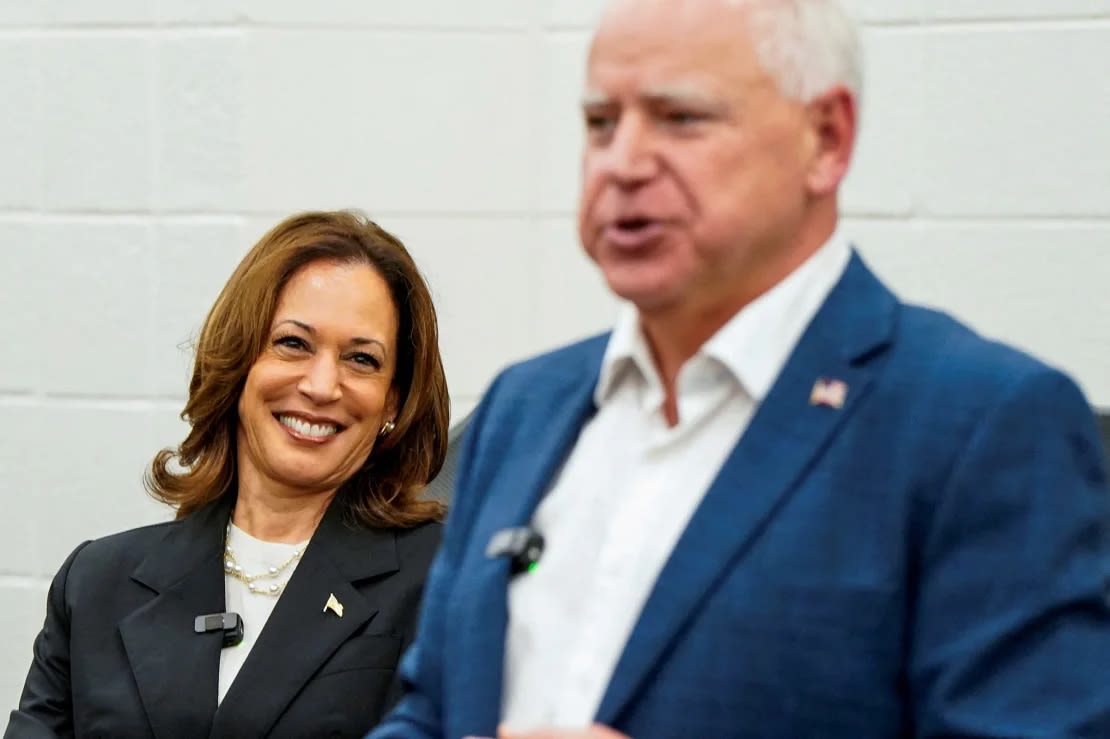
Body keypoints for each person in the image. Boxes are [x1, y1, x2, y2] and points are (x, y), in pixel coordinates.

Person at [370, 1, 1110, 737]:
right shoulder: (522, 407)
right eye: (601, 121)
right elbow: (429, 710)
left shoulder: (983, 426)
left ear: (827, 139)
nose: (622, 162)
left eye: (680, 118)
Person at [6, 210, 451, 739]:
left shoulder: (445, 578)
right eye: (293, 343)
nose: (322, 385)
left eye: (361, 359)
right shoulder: (96, 583)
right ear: (238, 360)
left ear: (392, 401)